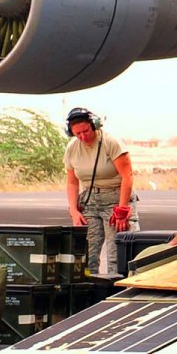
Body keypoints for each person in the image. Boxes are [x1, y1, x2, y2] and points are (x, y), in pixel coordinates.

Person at [63, 107, 134, 277]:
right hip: (89, 201)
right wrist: (74, 211)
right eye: (77, 134)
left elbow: (127, 176)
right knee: (87, 254)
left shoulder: (111, 142)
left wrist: (122, 210)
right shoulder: (72, 148)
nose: (83, 136)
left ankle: (117, 288)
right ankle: (88, 287)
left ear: (94, 124)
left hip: (116, 199)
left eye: (85, 131)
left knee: (117, 253)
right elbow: (72, 182)